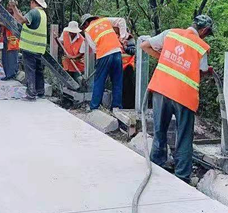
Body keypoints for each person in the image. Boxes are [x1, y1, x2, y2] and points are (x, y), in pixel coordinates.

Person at [141, 14, 214, 182]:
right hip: (184, 95)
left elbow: (145, 45)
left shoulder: (170, 33)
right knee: (184, 136)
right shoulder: (200, 46)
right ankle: (182, 175)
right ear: (204, 30)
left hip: (161, 89)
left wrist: (167, 59)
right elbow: (201, 71)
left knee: (159, 129)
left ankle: (157, 165)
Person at [80, 14, 129, 111]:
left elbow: (94, 48)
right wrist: (122, 37)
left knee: (99, 81)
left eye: (84, 25)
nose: (84, 27)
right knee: (117, 81)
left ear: (86, 22)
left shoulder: (88, 30)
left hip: (103, 54)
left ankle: (94, 106)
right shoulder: (104, 20)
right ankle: (116, 107)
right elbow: (121, 20)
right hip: (117, 51)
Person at [8, 0, 48, 101]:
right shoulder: (43, 14)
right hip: (39, 48)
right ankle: (40, 91)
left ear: (34, 2)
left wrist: (14, 8)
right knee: (38, 71)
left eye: (31, 2)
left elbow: (21, 20)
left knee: (30, 71)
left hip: (30, 47)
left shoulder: (34, 12)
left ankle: (31, 94)